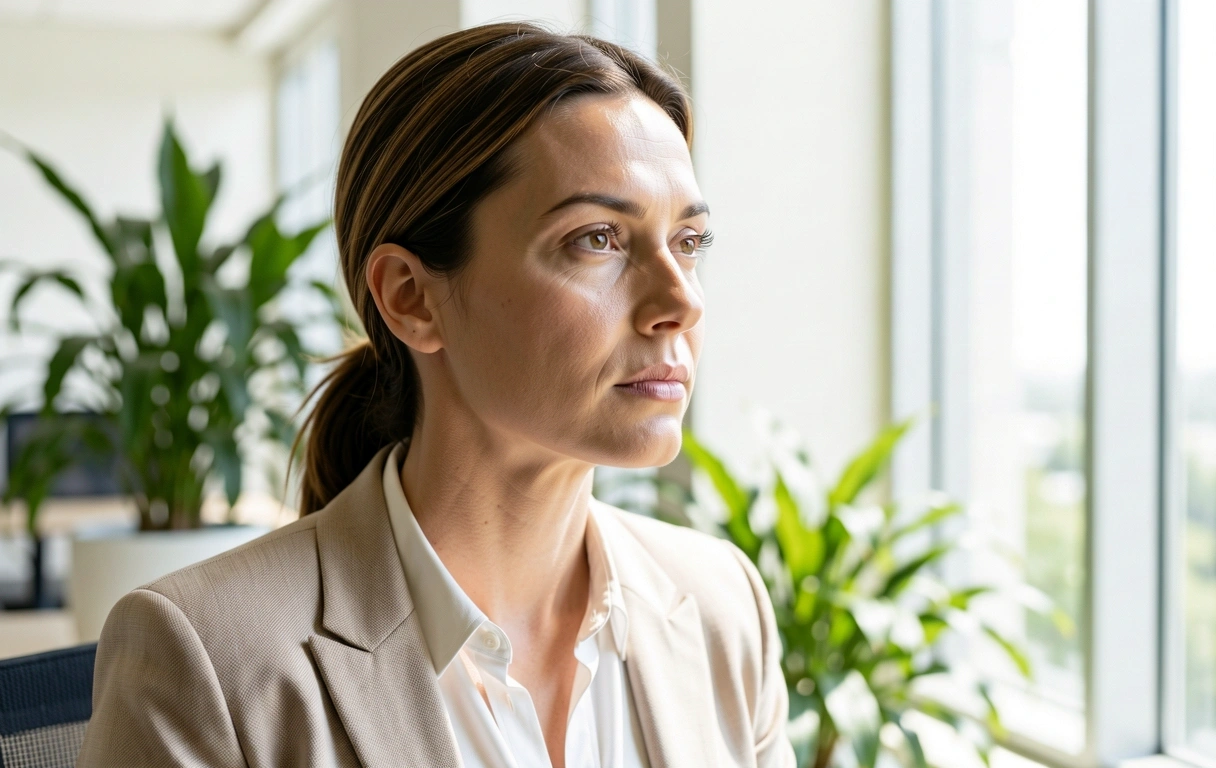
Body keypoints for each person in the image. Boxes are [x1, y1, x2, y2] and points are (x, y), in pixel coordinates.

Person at [78, 22, 793, 768]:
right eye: (597, 239)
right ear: (412, 297)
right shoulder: (210, 659)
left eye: (688, 241)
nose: (679, 301)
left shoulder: (720, 605)